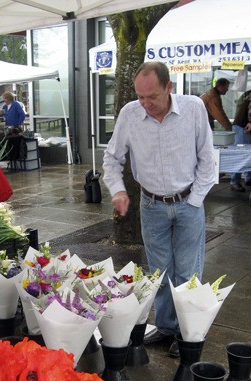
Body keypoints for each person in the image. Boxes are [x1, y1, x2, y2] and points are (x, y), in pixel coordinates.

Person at [102, 61, 215, 357]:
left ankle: (187, 332)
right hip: (151, 205)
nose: (145, 104)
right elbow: (112, 159)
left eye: (152, 96)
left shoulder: (193, 109)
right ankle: (165, 327)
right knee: (160, 272)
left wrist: (194, 200)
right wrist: (118, 190)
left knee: (189, 272)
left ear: (169, 87)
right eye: (140, 97)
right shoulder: (130, 114)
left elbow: (207, 159)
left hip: (188, 201)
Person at [229, 88, 251, 192]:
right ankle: (234, 181)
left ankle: (249, 178)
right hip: (243, 126)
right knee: (239, 155)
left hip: (248, 127)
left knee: (250, 154)